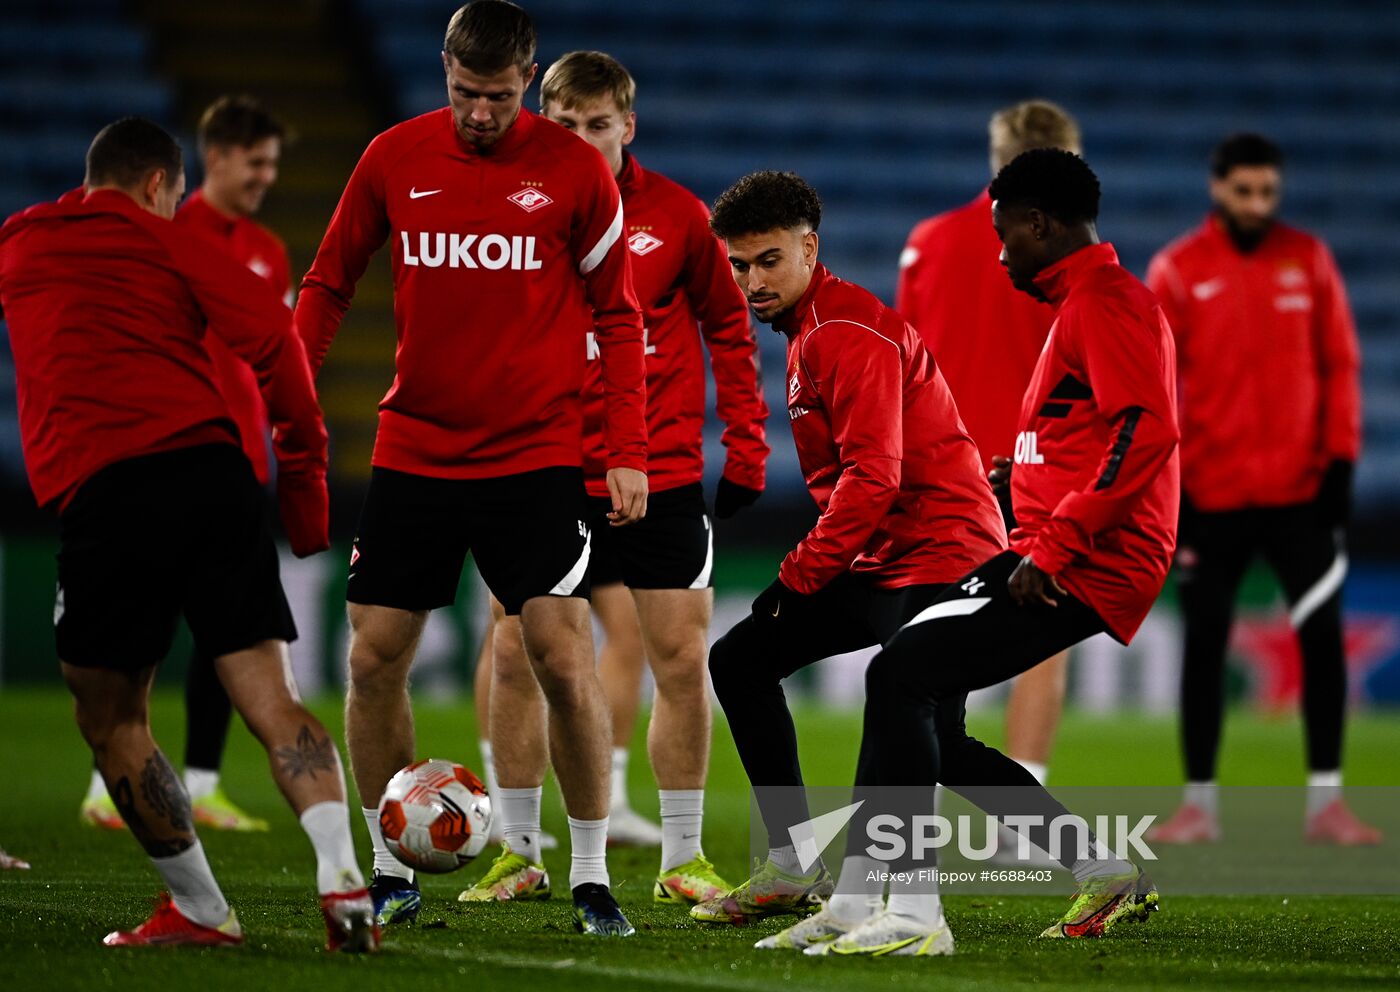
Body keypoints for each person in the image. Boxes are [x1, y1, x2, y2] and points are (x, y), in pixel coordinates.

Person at [767, 149, 1178, 956]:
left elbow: (1146, 431)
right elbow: (1083, 428)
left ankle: (915, 914)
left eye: (1005, 237)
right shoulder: (1085, 303)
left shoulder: (1108, 304)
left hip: (1091, 556)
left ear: (1039, 224)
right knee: (919, 705)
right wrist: (1015, 475)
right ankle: (1084, 869)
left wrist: (1056, 542)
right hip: (1052, 538)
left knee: (903, 674)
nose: (999, 254)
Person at [293, 1, 648, 937]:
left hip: (533, 455)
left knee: (561, 657)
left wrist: (626, 449)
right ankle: (388, 869)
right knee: (372, 658)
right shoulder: (393, 157)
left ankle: (587, 875)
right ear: (442, 69)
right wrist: (288, 394)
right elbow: (329, 280)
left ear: (526, 80)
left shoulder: (574, 171)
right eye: (463, 93)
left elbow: (619, 317)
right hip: (415, 447)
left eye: (496, 97)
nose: (479, 114)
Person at [0, 117, 375, 952]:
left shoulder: (20, 242)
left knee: (112, 717)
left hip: (110, 491)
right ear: (159, 188)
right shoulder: (170, 241)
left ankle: (203, 912)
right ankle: (344, 883)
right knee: (272, 699)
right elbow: (276, 340)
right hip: (215, 476)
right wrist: (306, 487)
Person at [461, 50, 769, 906]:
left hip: (658, 468)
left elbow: (729, 333)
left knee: (679, 656)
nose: (584, 141)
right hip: (539, 464)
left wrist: (747, 450)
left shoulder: (677, 217)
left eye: (599, 126)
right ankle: (517, 851)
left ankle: (681, 858)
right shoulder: (505, 214)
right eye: (565, 126)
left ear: (627, 127)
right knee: (517, 650)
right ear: (540, 123)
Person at [690, 170, 1011, 930]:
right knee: (741, 658)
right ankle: (794, 866)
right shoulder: (815, 330)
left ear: (810, 247)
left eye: (768, 261)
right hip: (889, 554)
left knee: (923, 723)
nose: (751, 281)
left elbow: (874, 477)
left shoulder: (845, 333)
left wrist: (797, 576)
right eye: (738, 266)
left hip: (943, 552)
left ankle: (1088, 867)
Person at [1145, 133, 1377, 846]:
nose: (1256, 204)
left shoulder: (1307, 261)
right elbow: (1154, 386)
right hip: (1211, 498)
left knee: (1323, 645)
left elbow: (1340, 363)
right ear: (1218, 189)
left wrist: (1340, 463)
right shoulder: (1179, 271)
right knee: (1204, 648)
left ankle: (1327, 806)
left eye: (1267, 193)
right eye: (1244, 192)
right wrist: (1170, 487)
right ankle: (1199, 807)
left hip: (1300, 496)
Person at [77, 95, 291, 835]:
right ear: (218, 156)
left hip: (242, 460)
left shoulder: (267, 249)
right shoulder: (163, 232)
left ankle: (200, 782)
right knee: (140, 628)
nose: (266, 176)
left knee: (224, 637)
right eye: (257, 161)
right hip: (171, 449)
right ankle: (110, 780)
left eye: (273, 163)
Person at [896, 103, 1081, 852]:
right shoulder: (1070, 255)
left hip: (943, 474)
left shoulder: (929, 243)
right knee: (1040, 647)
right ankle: (1021, 813)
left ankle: (920, 808)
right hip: (1036, 475)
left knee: (933, 644)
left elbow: (904, 366)